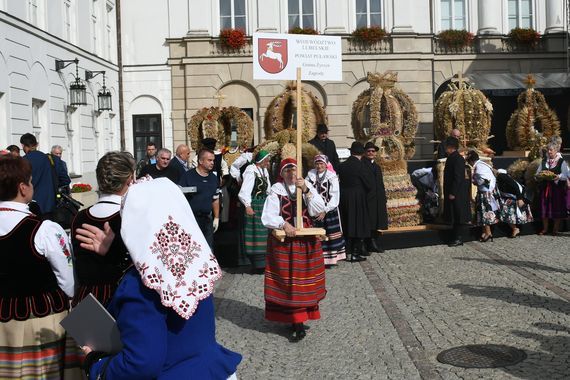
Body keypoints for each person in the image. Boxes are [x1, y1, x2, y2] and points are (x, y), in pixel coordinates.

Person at [76, 178, 242, 379]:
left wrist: (96, 365)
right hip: (211, 370)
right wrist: (117, 255)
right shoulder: (196, 263)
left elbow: (141, 363)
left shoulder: (140, 286)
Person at [0, 157, 77, 378]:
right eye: (31, 182)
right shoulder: (45, 230)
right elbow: (68, 281)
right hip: (41, 321)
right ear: (23, 188)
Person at [261, 158, 326, 342]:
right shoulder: (276, 191)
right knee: (288, 281)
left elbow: (318, 210)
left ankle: (299, 320)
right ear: (281, 174)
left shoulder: (306, 187)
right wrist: (283, 223)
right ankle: (293, 320)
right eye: (287, 171)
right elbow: (268, 217)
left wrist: (305, 189)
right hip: (285, 242)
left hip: (306, 241)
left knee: (305, 282)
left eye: (294, 170)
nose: (291, 174)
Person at [71, 152, 134, 306]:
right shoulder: (131, 216)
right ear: (129, 180)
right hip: (123, 298)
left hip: (87, 300)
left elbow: (74, 264)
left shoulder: (79, 217)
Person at [306, 154, 346, 266]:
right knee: (316, 233)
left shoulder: (331, 176)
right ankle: (317, 257)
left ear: (326, 164)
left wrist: (326, 210)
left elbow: (335, 196)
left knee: (329, 234)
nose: (319, 166)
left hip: (329, 210)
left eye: (321, 163)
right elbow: (306, 189)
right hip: (314, 210)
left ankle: (330, 260)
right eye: (317, 163)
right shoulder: (310, 175)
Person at [337, 141, 372, 261]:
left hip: (344, 196)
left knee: (347, 222)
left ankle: (347, 251)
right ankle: (355, 253)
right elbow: (369, 184)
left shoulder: (343, 165)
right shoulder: (361, 166)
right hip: (358, 196)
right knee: (358, 224)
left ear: (351, 152)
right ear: (362, 153)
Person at [179, 148, 220, 249]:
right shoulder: (188, 176)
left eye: (213, 160)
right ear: (201, 161)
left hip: (207, 220)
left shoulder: (214, 178)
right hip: (192, 219)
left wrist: (216, 217)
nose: (212, 163)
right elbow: (179, 198)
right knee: (193, 249)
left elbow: (215, 199)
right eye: (209, 160)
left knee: (208, 249)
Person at [238, 150, 271, 272]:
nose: (268, 163)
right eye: (267, 161)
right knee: (255, 235)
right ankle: (257, 264)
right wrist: (247, 205)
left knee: (264, 233)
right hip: (254, 204)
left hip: (263, 205)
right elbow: (244, 191)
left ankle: (264, 263)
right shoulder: (251, 170)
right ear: (261, 161)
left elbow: (268, 189)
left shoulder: (264, 171)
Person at [535, 141, 569, 235]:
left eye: (551, 150)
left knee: (556, 208)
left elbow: (565, 175)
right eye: (548, 150)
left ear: (555, 151)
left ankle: (555, 229)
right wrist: (539, 176)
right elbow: (537, 173)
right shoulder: (544, 161)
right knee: (544, 208)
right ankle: (545, 229)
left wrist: (557, 177)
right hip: (545, 188)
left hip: (556, 189)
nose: (549, 152)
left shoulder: (561, 162)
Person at [20, 133, 58, 216]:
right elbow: (55, 178)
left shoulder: (24, 160)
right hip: (49, 202)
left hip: (33, 205)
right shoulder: (47, 157)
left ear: (23, 145)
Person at [443, 137, 471, 247]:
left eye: (447, 146)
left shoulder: (458, 159)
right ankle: (454, 237)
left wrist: (453, 192)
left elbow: (458, 177)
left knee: (458, 216)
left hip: (457, 193)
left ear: (451, 147)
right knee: (454, 215)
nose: (445, 148)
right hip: (454, 192)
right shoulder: (452, 157)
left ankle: (458, 238)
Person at [466, 150, 499, 242]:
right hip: (487, 192)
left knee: (485, 212)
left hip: (486, 193)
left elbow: (484, 181)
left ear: (471, 161)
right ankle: (485, 232)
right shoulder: (482, 164)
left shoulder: (479, 167)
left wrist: (474, 182)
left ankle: (488, 233)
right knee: (481, 212)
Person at [363, 142, 388, 252]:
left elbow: (380, 183)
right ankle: (367, 243)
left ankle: (373, 242)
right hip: (368, 198)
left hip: (378, 197)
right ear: (365, 152)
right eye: (368, 151)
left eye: (373, 151)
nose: (371, 153)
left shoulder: (377, 166)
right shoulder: (362, 165)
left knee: (376, 221)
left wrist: (383, 197)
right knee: (369, 221)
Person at [496, 169, 533, 238]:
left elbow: (515, 186)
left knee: (506, 213)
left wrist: (519, 199)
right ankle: (515, 228)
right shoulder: (505, 177)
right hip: (513, 197)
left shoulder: (502, 176)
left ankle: (515, 228)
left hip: (515, 198)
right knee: (509, 214)